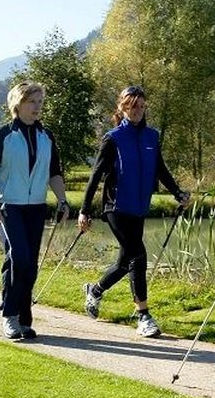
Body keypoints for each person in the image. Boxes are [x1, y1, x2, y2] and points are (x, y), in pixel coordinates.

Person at [78, 85, 190, 338]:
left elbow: (160, 169)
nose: (137, 110)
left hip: (139, 206)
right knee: (138, 255)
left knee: (125, 261)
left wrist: (177, 192)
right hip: (116, 206)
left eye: (141, 106)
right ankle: (143, 315)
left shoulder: (152, 137)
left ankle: (95, 290)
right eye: (132, 105)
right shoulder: (113, 138)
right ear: (122, 107)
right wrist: (84, 210)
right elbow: (96, 175)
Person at [0, 81, 70, 341]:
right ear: (18, 105)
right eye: (32, 102)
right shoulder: (3, 135)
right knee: (19, 258)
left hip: (36, 208)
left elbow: (54, 173)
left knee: (29, 264)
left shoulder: (46, 137)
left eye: (40, 102)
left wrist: (62, 201)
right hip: (9, 206)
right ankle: (9, 316)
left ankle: (24, 320)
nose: (37, 107)